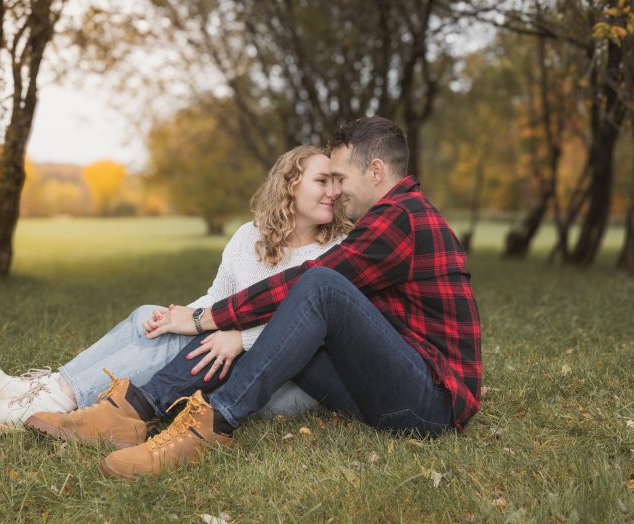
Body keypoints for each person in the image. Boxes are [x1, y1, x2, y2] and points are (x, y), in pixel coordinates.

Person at [30, 116, 482, 480]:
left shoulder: (402, 218)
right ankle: (133, 412)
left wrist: (212, 319)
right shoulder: (388, 218)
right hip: (385, 386)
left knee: (318, 285)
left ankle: (211, 425)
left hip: (430, 404)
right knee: (294, 314)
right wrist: (221, 322)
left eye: (341, 178)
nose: (337, 191)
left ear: (376, 171)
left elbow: (310, 282)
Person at [0, 145, 352, 435]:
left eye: (337, 182)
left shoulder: (337, 250)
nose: (333, 192)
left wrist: (241, 338)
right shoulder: (249, 237)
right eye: (322, 181)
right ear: (289, 185)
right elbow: (218, 296)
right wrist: (178, 317)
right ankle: (50, 386)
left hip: (284, 379)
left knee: (181, 340)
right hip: (232, 352)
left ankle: (56, 398)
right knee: (150, 318)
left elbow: (311, 328)